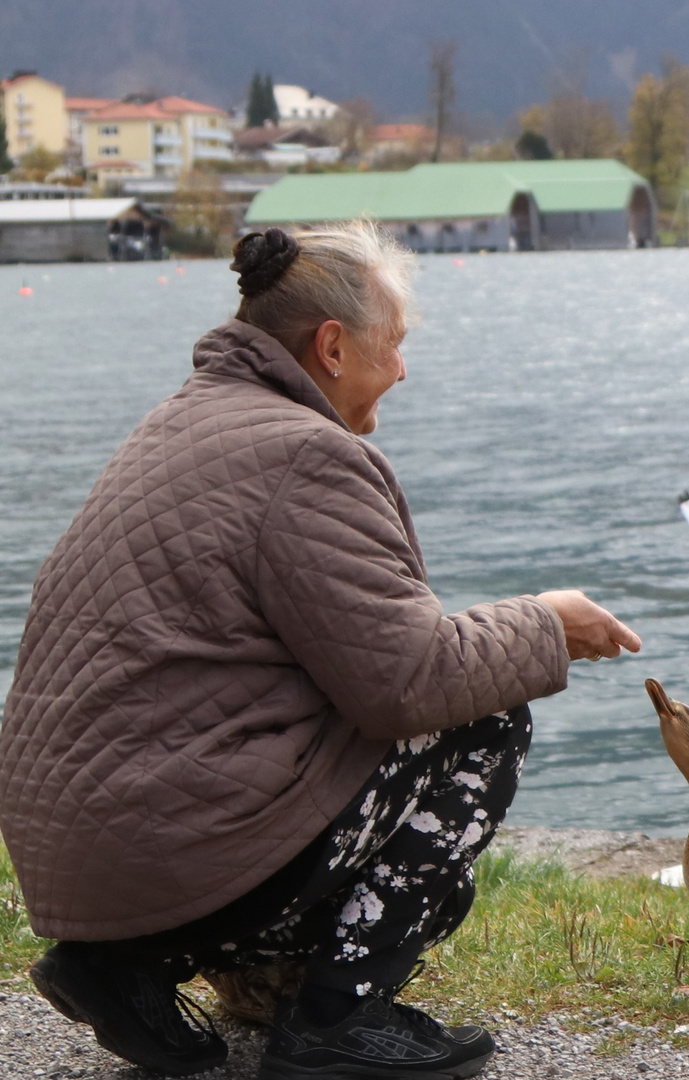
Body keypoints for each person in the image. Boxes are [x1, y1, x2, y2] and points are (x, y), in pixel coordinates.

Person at [0, 222, 641, 1078]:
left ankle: (116, 968)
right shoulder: (308, 456)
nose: (404, 370)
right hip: (173, 850)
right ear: (332, 347)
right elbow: (409, 683)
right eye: (396, 345)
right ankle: (337, 1021)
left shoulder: (176, 425)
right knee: (483, 722)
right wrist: (547, 624)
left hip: (80, 871)